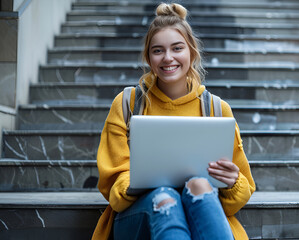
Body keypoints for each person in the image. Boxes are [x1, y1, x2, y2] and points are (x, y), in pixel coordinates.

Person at [92, 3, 255, 240]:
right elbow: (114, 190)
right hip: (140, 215)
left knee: (199, 185)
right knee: (165, 196)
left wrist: (232, 182)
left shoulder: (217, 109)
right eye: (158, 50)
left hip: (201, 208)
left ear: (191, 52)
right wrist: (138, 180)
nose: (168, 58)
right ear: (148, 57)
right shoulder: (127, 103)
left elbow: (239, 196)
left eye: (177, 48)